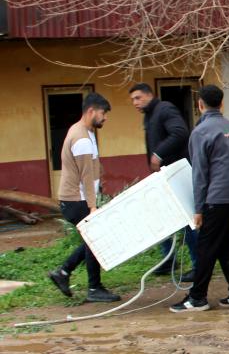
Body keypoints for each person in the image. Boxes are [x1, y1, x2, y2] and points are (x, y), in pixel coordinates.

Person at [170, 85, 229, 312]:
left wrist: (198, 209)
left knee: (206, 246)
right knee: (224, 243)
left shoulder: (200, 132)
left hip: (219, 196)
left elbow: (200, 173)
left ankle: (197, 298)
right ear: (222, 103)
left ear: (200, 105)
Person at [48, 93, 122, 303]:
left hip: (78, 198)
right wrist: (92, 206)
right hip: (76, 200)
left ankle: (63, 272)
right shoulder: (81, 138)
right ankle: (93, 288)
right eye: (103, 113)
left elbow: (92, 166)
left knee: (92, 240)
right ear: (91, 111)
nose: (105, 117)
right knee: (95, 239)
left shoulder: (85, 132)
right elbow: (86, 176)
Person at [129, 82, 197, 279]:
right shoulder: (150, 115)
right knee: (161, 216)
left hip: (177, 175)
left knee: (187, 220)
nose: (135, 103)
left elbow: (180, 132)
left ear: (149, 95)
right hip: (163, 176)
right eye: (132, 100)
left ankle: (199, 263)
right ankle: (169, 260)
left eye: (138, 98)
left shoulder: (165, 109)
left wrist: (158, 154)